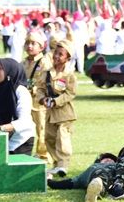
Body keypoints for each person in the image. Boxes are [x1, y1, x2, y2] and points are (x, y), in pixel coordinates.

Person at [37, 39, 77, 177]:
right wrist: (42, 99)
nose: (56, 56)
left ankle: (63, 165)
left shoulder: (69, 74)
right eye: (56, 53)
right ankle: (56, 164)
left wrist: (56, 101)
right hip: (50, 113)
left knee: (62, 138)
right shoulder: (47, 72)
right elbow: (40, 88)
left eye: (61, 54)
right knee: (50, 138)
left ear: (67, 58)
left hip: (65, 113)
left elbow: (70, 93)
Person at [47, 146, 124, 202]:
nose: (108, 160)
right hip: (102, 180)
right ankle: (94, 192)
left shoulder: (122, 166)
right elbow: (69, 183)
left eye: (111, 159)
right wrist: (49, 180)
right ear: (99, 161)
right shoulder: (94, 167)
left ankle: (117, 187)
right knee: (100, 174)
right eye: (105, 159)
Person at [0, 57, 36, 155]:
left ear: (10, 72)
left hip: (21, 138)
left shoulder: (21, 91)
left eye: (1, 69)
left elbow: (24, 121)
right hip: (1, 136)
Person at [22, 31, 52, 161]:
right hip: (25, 100)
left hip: (38, 102)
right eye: (28, 43)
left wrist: (35, 89)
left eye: (33, 43)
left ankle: (43, 155)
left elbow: (47, 81)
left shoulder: (44, 62)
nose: (30, 46)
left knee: (42, 129)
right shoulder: (23, 63)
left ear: (41, 46)